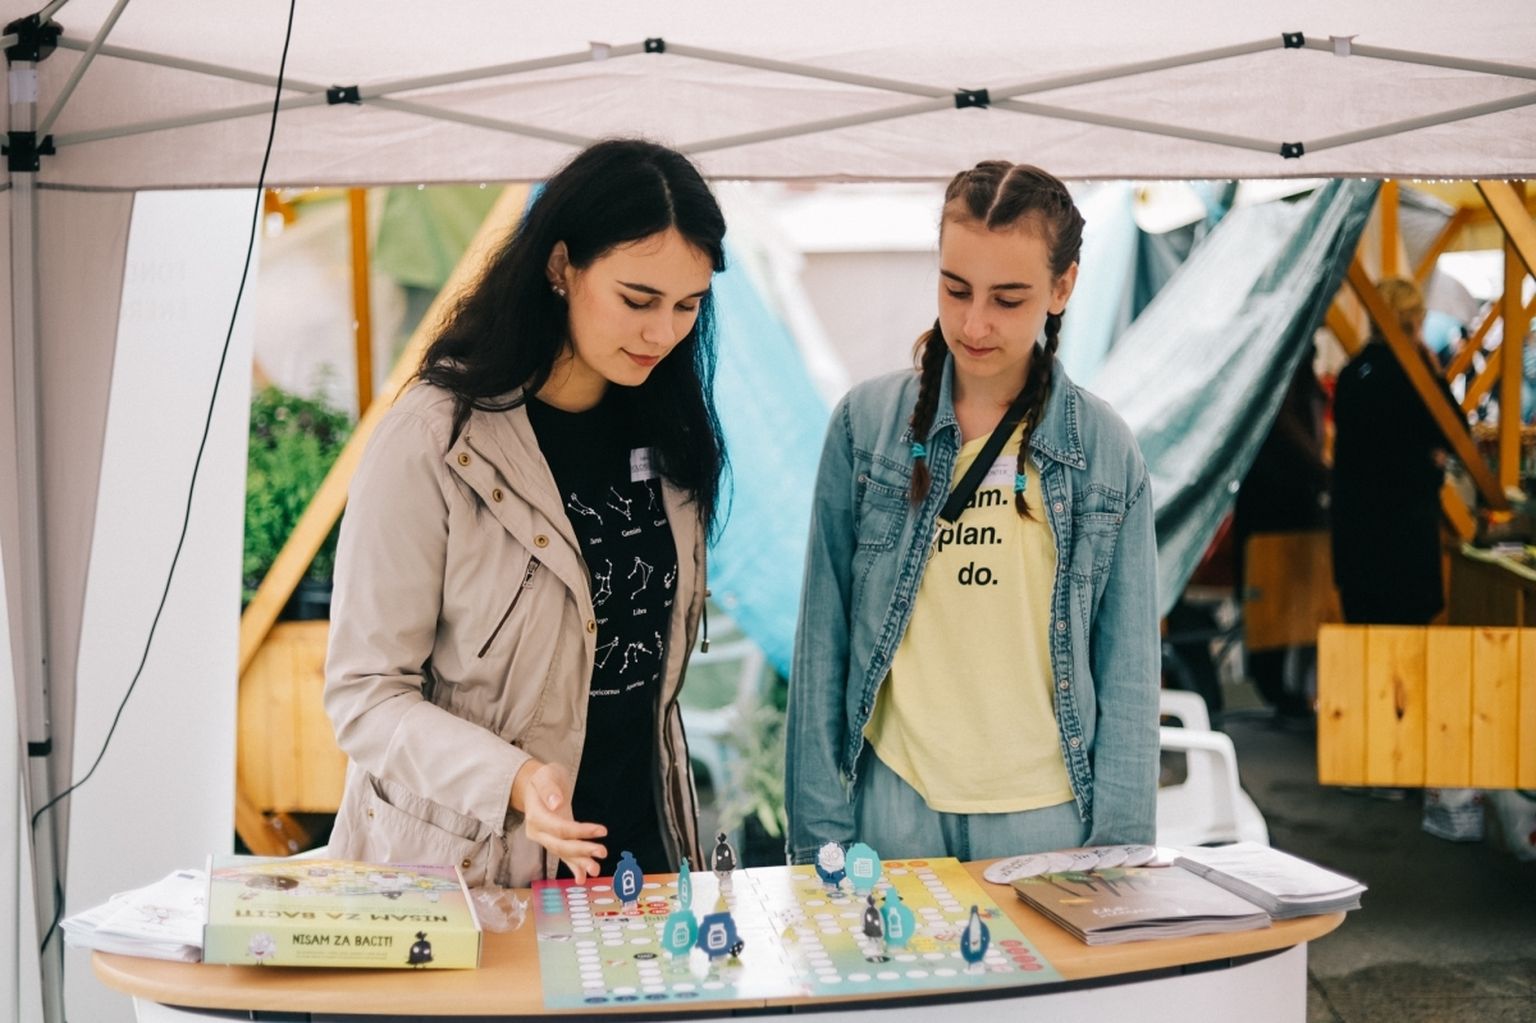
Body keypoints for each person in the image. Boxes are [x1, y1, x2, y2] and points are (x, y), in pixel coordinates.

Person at [324, 139, 728, 887]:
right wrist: (513, 777)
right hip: (473, 876)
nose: (663, 333)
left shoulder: (670, 430)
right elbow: (364, 695)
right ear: (560, 266)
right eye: (637, 300)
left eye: (688, 305)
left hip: (639, 863)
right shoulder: (434, 438)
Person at [785, 162, 1160, 864]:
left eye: (1008, 299)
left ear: (1062, 287)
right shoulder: (865, 426)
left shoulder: (1105, 451)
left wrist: (1119, 861)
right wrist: (819, 845)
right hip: (892, 810)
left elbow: (1130, 677)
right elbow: (821, 645)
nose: (974, 322)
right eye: (955, 289)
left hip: (1048, 822)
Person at [1331, 277, 1452, 625]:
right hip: (1407, 542)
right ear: (1411, 322)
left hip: (1358, 543)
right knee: (1410, 646)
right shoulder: (1415, 379)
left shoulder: (1352, 373)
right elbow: (1454, 433)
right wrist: (1435, 372)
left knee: (1364, 640)